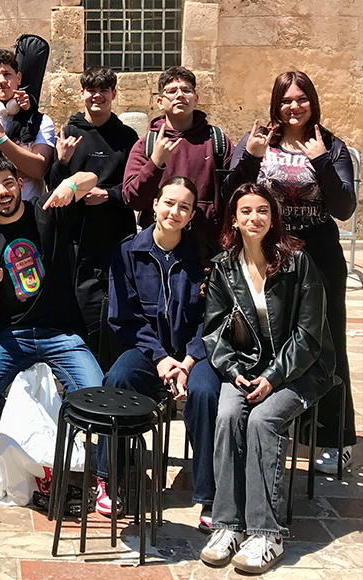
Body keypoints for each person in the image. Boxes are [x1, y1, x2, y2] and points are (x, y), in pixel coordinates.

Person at [200, 181, 336, 575]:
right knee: (228, 416)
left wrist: (273, 377)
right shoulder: (224, 266)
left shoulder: (297, 262)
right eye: (245, 211)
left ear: (273, 217)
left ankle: (266, 534)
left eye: (262, 210)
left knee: (262, 420)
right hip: (245, 368)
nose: (254, 217)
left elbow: (309, 336)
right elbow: (214, 332)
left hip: (302, 370)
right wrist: (234, 371)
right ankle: (227, 526)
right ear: (234, 219)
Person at [224, 71, 357, 475]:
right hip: (271, 251)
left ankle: (334, 437)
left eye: (301, 99)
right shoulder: (261, 141)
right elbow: (231, 192)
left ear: (312, 102)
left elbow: (345, 207)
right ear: (275, 104)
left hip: (319, 253)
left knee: (327, 339)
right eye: (285, 100)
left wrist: (320, 160)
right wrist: (250, 156)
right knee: (275, 337)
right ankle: (278, 422)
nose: (293, 107)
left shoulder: (331, 146)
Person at [103, 177, 220, 527]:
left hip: (195, 353)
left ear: (191, 216)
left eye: (184, 207)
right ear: (154, 205)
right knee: (118, 380)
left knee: (206, 393)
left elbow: (212, 318)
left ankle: (210, 495)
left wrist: (188, 360)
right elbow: (124, 316)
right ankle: (111, 477)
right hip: (148, 349)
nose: (174, 212)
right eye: (168, 203)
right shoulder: (128, 252)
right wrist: (159, 357)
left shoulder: (204, 258)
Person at [0, 157, 102, 440]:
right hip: (14, 335)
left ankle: (61, 445)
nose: (3, 192)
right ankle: (12, 440)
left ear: (20, 184)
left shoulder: (46, 210)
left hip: (62, 332)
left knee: (93, 395)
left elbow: (91, 179)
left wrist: (69, 185)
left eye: (8, 183)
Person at [47, 66, 139, 370]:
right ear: (82, 93)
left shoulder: (127, 137)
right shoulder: (69, 132)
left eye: (104, 90)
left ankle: (110, 370)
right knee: (77, 305)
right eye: (91, 90)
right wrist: (61, 161)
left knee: (112, 305)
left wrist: (107, 195)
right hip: (76, 236)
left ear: (114, 94)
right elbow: (54, 186)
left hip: (114, 235)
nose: (97, 96)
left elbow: (134, 188)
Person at [122, 66, 233, 249]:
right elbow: (133, 199)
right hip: (158, 247)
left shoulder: (217, 141)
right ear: (160, 102)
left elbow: (235, 190)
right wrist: (155, 163)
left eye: (186, 90)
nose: (180, 95)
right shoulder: (147, 145)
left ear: (196, 99)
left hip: (208, 246)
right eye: (172, 91)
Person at [0, 48, 55, 228]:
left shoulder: (41, 121)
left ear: (18, 78)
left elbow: (39, 169)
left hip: (30, 215)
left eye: (7, 74)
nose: (2, 81)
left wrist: (0, 139)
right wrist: (24, 166)